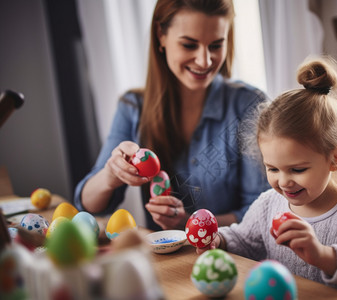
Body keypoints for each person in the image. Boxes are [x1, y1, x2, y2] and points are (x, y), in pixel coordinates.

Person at [197, 55, 337, 299]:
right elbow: (243, 241)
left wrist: (323, 256)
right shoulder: (267, 205)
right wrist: (217, 240)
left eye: (297, 170)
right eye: (272, 169)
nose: (283, 182)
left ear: (336, 159)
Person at [73, 0, 270, 231]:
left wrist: (190, 223)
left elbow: (261, 212)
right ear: (161, 36)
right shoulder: (132, 107)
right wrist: (111, 174)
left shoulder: (250, 106)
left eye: (216, 45)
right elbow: (88, 207)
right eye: (189, 45)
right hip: (164, 262)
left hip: (233, 259)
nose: (204, 61)